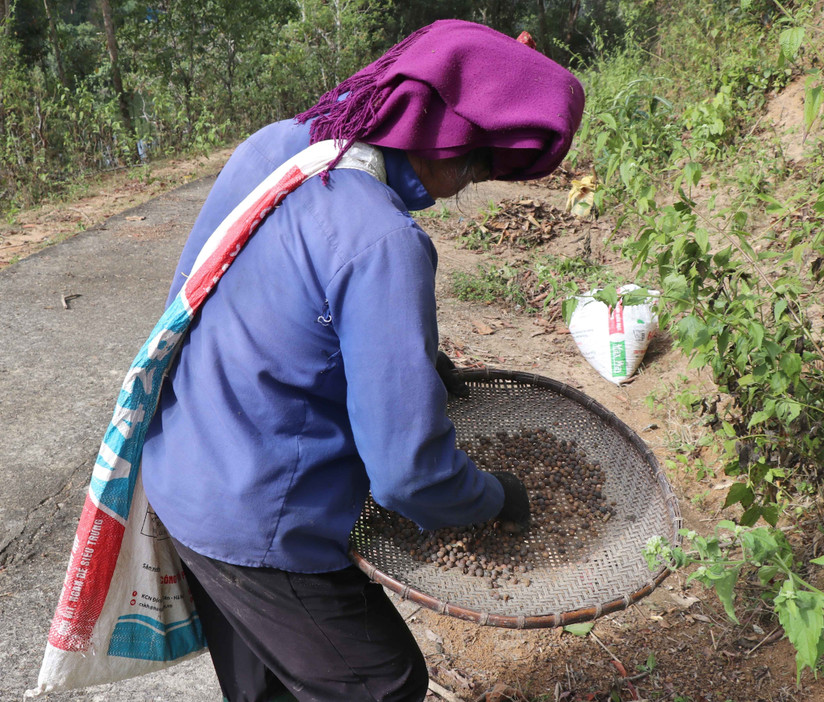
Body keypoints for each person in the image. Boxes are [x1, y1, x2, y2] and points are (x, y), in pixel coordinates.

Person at [140, 18, 584, 702]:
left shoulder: (282, 144)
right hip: (262, 517)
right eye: (477, 166)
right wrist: (495, 497)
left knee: (266, 689)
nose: (470, 184)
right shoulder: (383, 241)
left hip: (182, 471)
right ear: (444, 137)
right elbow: (409, 476)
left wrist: (412, 362)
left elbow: (240, 299)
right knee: (382, 682)